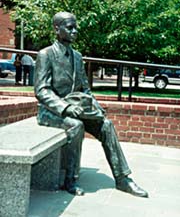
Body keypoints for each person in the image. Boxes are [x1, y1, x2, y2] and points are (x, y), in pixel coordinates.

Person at [34, 12, 148, 198]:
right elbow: (42, 90)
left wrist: (96, 107)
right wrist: (66, 108)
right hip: (51, 112)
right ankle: (71, 180)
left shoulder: (77, 57)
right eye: (70, 27)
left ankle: (122, 179)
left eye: (75, 27)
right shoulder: (45, 55)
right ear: (57, 29)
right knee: (76, 126)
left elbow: (85, 90)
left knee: (107, 125)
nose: (75, 31)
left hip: (78, 109)